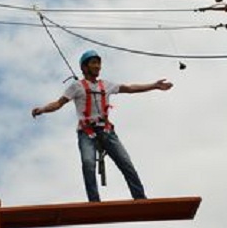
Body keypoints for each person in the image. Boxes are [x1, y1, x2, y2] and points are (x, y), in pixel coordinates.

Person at [30, 50, 173, 202]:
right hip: (86, 131)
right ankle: (94, 201)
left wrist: (154, 86)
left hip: (106, 130)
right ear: (84, 67)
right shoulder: (76, 87)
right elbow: (58, 104)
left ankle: (140, 197)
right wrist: (42, 109)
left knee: (125, 162)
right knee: (88, 163)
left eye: (98, 63)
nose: (97, 66)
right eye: (93, 63)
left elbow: (130, 88)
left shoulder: (106, 85)